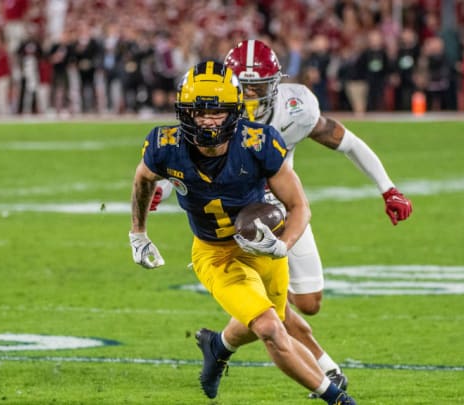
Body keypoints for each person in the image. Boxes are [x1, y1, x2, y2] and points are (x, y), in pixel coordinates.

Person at [151, 39, 413, 396]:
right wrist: (161, 190)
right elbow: (182, 161)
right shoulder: (213, 112)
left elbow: (345, 140)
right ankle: (325, 368)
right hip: (234, 215)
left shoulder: (296, 110)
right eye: (244, 90)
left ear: (275, 85)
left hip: (283, 210)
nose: (252, 98)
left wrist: (388, 187)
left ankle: (220, 345)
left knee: (308, 303)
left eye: (259, 88)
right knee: (269, 314)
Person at [129, 60, 356, 405]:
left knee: (272, 319)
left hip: (262, 247)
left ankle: (217, 345)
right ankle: (338, 399)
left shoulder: (258, 141)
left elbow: (300, 207)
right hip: (214, 253)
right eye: (198, 111)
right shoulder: (165, 144)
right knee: (269, 328)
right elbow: (143, 179)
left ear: (234, 109)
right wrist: (138, 233)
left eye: (217, 110)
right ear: (183, 111)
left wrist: (283, 246)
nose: (207, 120)